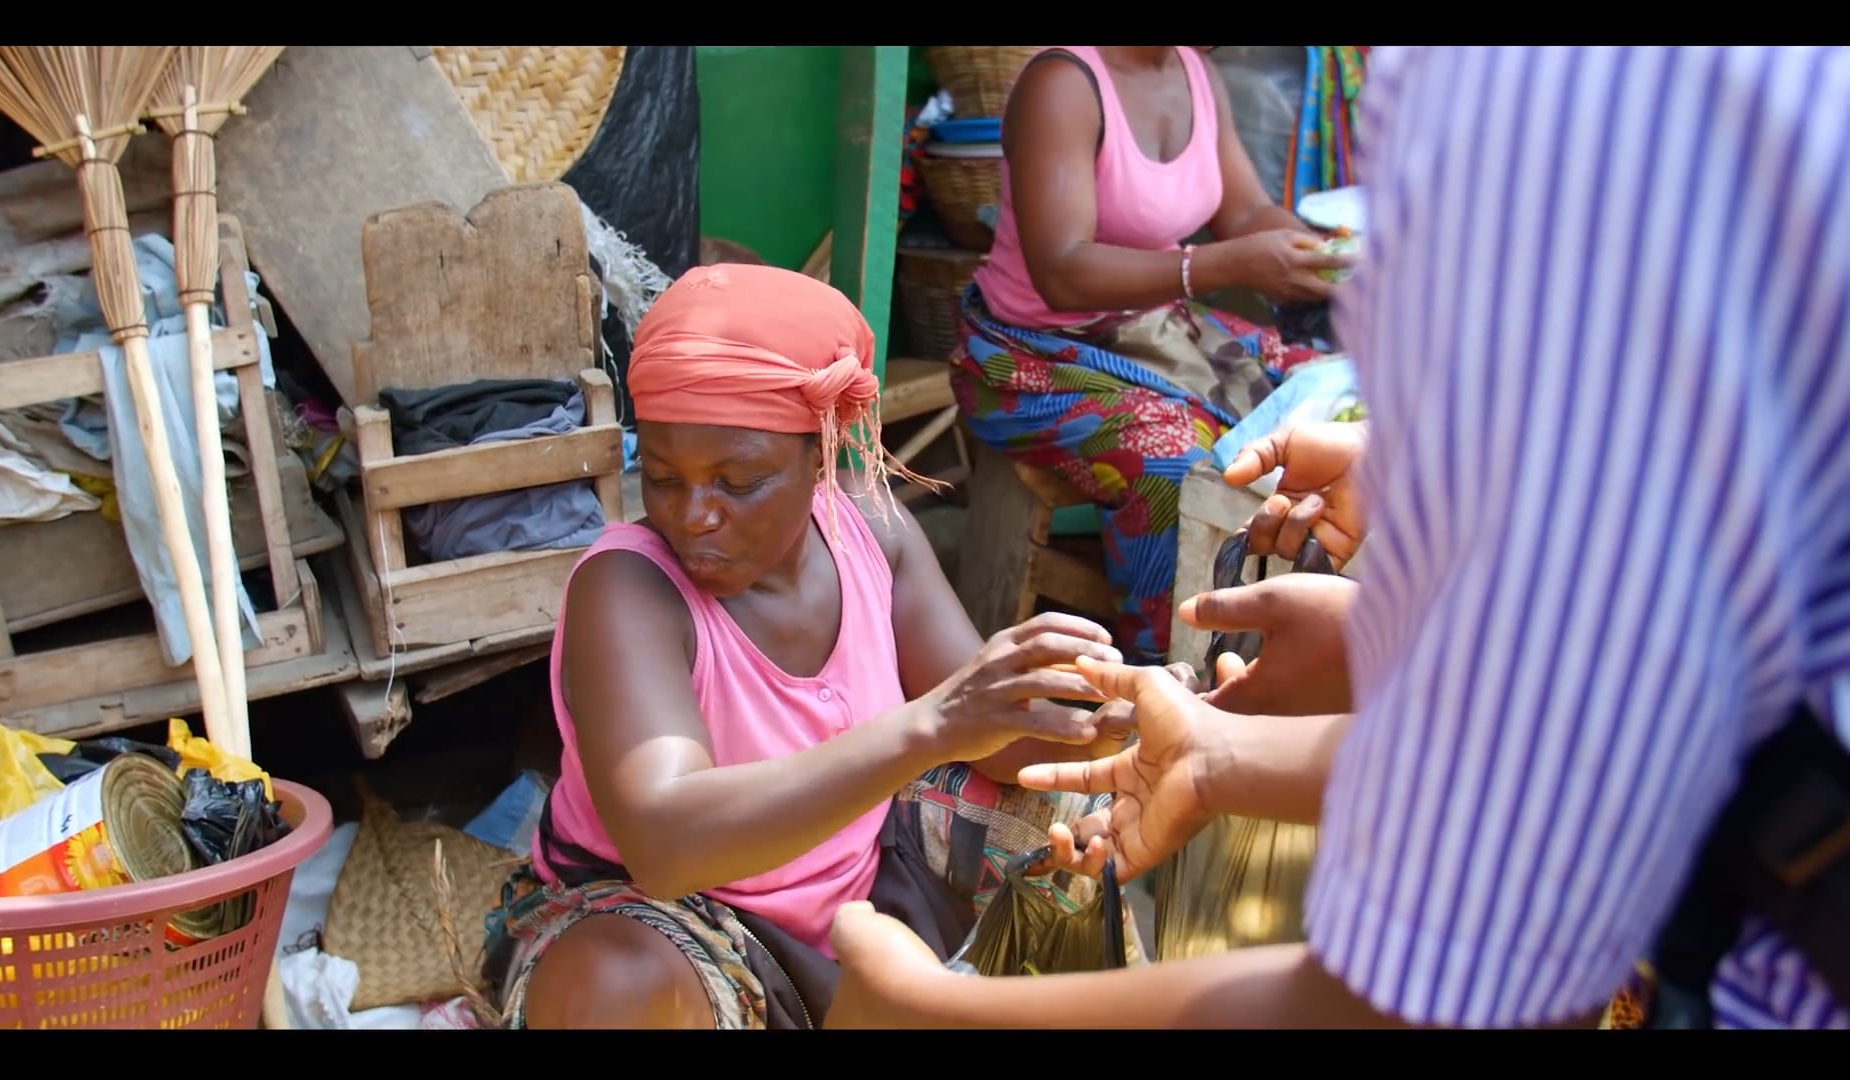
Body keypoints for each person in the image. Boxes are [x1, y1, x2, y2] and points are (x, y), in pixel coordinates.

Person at [826, 44, 1850, 1030]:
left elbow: (1438, 993)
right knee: (1188, 459)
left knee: (1229, 432)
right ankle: (1167, 637)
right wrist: (1255, 740)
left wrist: (938, 1009)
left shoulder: (1547, 92)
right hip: (1046, 354)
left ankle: (1171, 642)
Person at [476, 262, 1153, 1030]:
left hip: (856, 882)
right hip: (673, 914)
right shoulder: (629, 590)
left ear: (819, 456)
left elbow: (998, 746)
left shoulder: (871, 532)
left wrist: (1129, 718)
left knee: (1070, 808)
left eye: (737, 481)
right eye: (663, 477)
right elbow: (666, 845)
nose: (695, 514)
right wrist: (932, 724)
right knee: (612, 988)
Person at [950, 44, 1357, 664]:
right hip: (1029, 356)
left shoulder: (1196, 73)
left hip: (1156, 324)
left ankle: (1279, 640)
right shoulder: (1063, 83)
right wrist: (1227, 265)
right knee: (1182, 465)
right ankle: (1169, 669)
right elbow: (1062, 270)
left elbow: (1244, 212)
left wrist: (1326, 255)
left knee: (1325, 386)